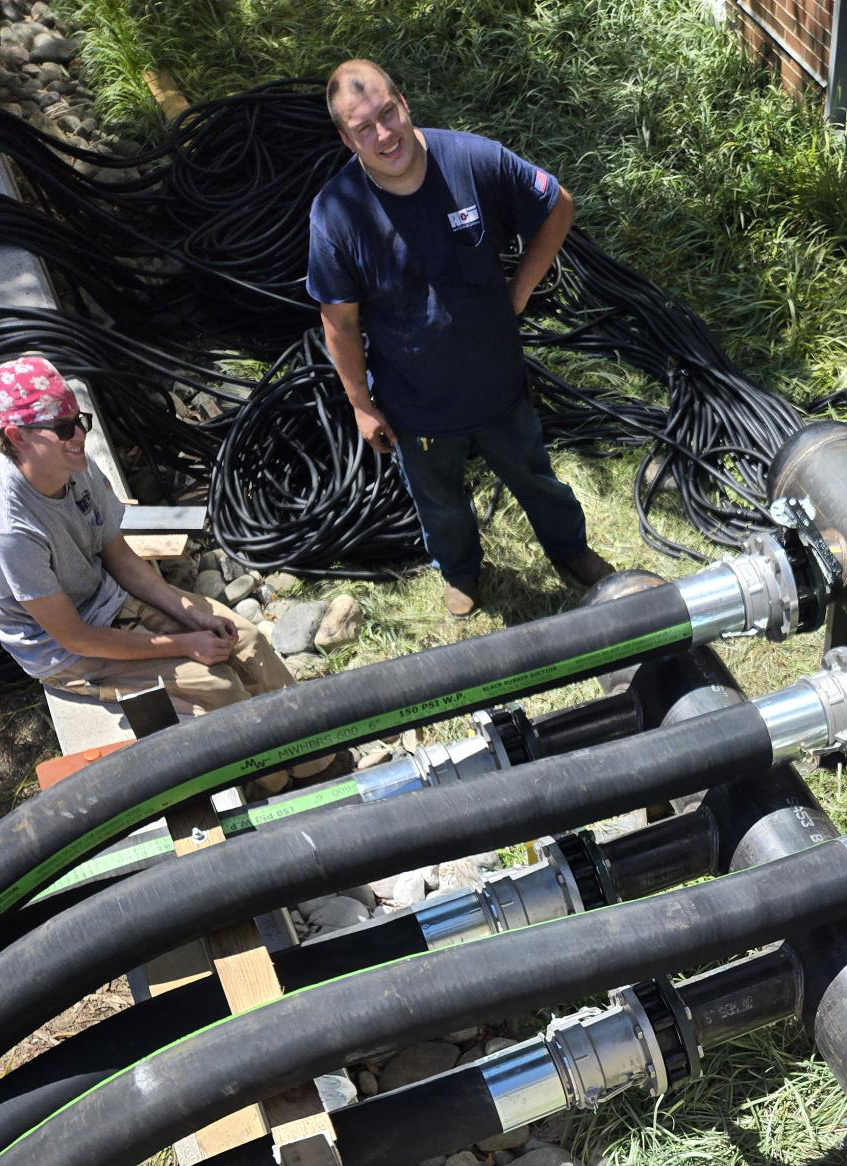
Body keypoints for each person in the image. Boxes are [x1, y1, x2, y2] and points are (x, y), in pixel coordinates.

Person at [308, 59, 613, 617]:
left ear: (403, 100)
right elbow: (340, 320)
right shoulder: (336, 214)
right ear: (345, 139)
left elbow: (558, 205)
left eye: (387, 114)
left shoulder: (472, 161)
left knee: (536, 479)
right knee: (441, 505)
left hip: (498, 385)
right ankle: (461, 572)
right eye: (363, 128)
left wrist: (520, 290)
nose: (383, 135)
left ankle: (571, 551)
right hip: (415, 404)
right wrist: (360, 404)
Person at [0, 356, 329, 790]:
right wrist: (183, 644)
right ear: (17, 437)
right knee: (218, 686)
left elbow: (118, 557)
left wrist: (191, 614)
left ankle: (318, 762)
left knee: (246, 640)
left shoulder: (73, 467)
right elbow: (74, 637)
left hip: (107, 599)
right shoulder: (12, 528)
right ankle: (278, 788)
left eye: (78, 421)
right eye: (62, 429)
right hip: (64, 653)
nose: (79, 435)